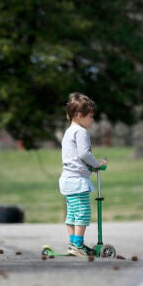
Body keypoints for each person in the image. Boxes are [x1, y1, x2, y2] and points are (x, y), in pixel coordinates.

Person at [59, 92, 107, 257]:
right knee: (83, 213)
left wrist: (89, 168)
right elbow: (84, 153)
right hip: (77, 181)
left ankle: (73, 243)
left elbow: (74, 158)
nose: (92, 120)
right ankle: (78, 245)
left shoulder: (68, 132)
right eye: (91, 117)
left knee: (72, 213)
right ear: (80, 115)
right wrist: (97, 164)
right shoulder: (81, 132)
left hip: (67, 179)